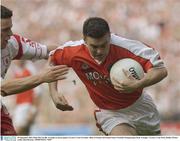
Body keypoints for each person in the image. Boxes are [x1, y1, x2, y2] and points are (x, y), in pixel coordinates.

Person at [49, 17, 168, 135]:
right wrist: (53, 93)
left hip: (140, 107)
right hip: (110, 113)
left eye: (104, 45)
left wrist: (138, 84)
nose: (99, 51)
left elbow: (160, 70)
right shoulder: (73, 51)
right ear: (85, 39)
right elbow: (53, 59)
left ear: (109, 37)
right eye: (94, 47)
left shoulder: (128, 47)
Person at [0, 5, 72, 135]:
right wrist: (42, 77)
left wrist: (54, 93)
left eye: (10, 28)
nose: (10, 33)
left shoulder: (12, 43)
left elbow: (52, 52)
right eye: (5, 30)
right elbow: (4, 88)